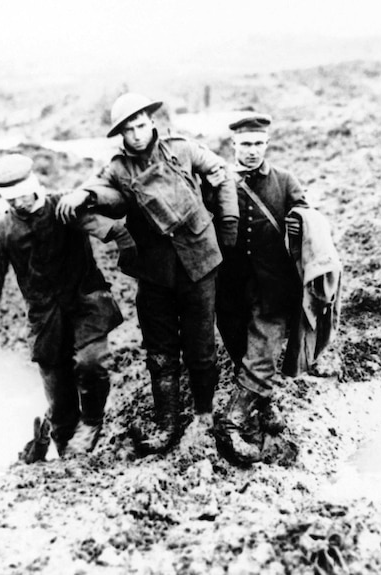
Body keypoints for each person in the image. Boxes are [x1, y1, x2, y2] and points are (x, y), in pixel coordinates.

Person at [56, 92, 239, 455]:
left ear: (152, 122)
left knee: (201, 348)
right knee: (159, 351)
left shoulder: (183, 149)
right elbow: (89, 199)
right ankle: (167, 421)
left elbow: (223, 174)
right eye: (128, 129)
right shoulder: (118, 169)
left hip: (199, 263)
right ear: (120, 135)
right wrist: (110, 224)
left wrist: (228, 225)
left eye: (141, 125)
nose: (137, 134)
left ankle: (203, 417)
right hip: (154, 273)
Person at [0, 153, 128, 462]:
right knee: (61, 399)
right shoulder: (1, 231)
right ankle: (64, 455)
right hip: (45, 322)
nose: (17, 204)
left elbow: (115, 205)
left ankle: (92, 422)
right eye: (9, 199)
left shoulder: (65, 207)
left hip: (86, 304)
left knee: (92, 364)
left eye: (21, 195)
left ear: (34, 185)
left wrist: (86, 194)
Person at [213, 113, 310, 464]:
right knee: (243, 350)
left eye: (258, 143)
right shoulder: (218, 182)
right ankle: (263, 403)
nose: (252, 151)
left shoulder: (284, 181)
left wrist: (300, 222)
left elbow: (308, 223)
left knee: (264, 349)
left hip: (273, 284)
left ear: (267, 144)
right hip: (230, 284)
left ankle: (231, 423)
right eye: (245, 144)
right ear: (233, 145)